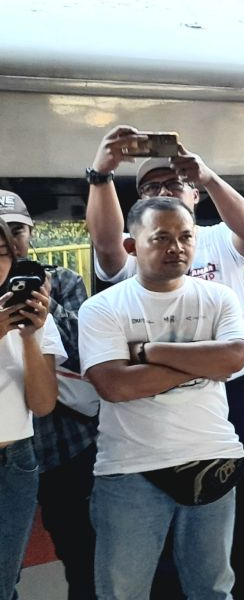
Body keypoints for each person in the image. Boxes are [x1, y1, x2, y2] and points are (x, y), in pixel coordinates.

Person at [86, 126, 244, 598]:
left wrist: (149, 352)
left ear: (195, 193)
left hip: (227, 405)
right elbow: (114, 383)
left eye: (174, 182)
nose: (163, 191)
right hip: (144, 432)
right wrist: (100, 174)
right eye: (150, 187)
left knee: (243, 524)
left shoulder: (212, 238)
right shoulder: (129, 259)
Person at [1, 190, 97, 600]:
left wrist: (42, 313)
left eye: (16, 231)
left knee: (81, 554)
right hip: (19, 448)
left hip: (60, 445)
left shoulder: (62, 281)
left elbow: (85, 350)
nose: (11, 244)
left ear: (30, 233)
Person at [0, 220, 64, 600]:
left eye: (2, 254)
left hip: (15, 461)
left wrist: (28, 337)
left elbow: (42, 405)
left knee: (5, 581)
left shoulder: (37, 318)